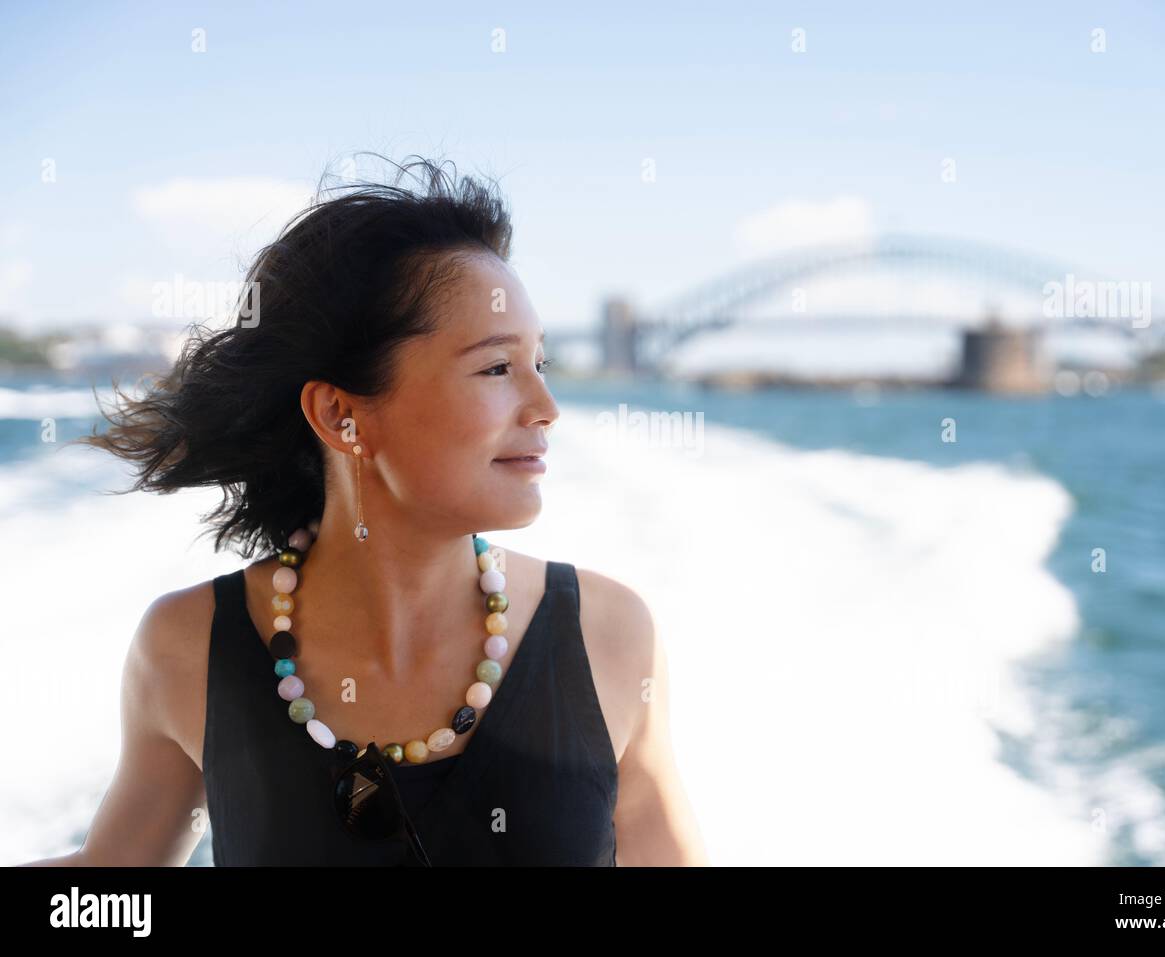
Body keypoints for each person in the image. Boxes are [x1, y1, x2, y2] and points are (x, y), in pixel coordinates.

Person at [22, 155, 708, 866]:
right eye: (498, 368)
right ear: (341, 414)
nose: (546, 408)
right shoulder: (188, 646)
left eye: (542, 364)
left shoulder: (610, 636)